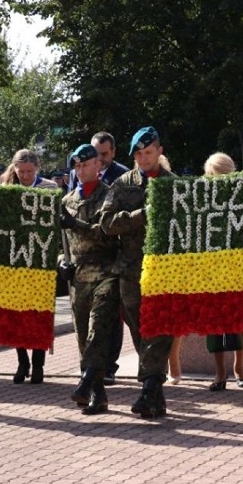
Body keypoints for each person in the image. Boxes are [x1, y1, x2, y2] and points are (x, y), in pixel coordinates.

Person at [101, 127, 176, 418]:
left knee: (160, 330)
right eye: (139, 154)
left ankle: (149, 388)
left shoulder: (173, 184)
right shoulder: (122, 184)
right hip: (132, 270)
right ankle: (153, 389)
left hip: (166, 271)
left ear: (159, 151)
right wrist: (138, 216)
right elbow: (106, 223)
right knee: (141, 331)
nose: (144, 159)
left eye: (149, 153)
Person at [60, 143, 121, 414]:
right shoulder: (67, 200)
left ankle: (86, 382)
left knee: (98, 332)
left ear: (98, 165)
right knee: (84, 338)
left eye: (86, 164)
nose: (81, 169)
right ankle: (98, 394)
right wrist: (62, 263)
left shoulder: (110, 196)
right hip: (79, 277)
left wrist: (77, 225)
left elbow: (108, 232)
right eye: (78, 165)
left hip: (106, 273)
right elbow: (63, 243)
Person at [0, 149, 59, 384]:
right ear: (14, 169)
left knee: (38, 314)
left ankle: (38, 365)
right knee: (16, 316)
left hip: (41, 261)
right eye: (21, 171)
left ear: (37, 169)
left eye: (29, 171)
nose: (24, 175)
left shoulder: (49, 188)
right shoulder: (6, 190)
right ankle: (22, 361)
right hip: (14, 262)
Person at [202, 152, 243, 391]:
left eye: (223, 175)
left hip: (239, 267)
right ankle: (219, 373)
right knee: (214, 323)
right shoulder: (202, 200)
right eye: (214, 175)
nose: (219, 180)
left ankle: (239, 367)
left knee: (240, 320)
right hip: (212, 269)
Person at [90, 131, 130, 385]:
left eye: (104, 154)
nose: (100, 160)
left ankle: (110, 366)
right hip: (91, 255)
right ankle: (94, 364)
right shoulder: (79, 172)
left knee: (114, 315)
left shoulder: (123, 177)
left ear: (113, 152)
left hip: (116, 254)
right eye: (96, 154)